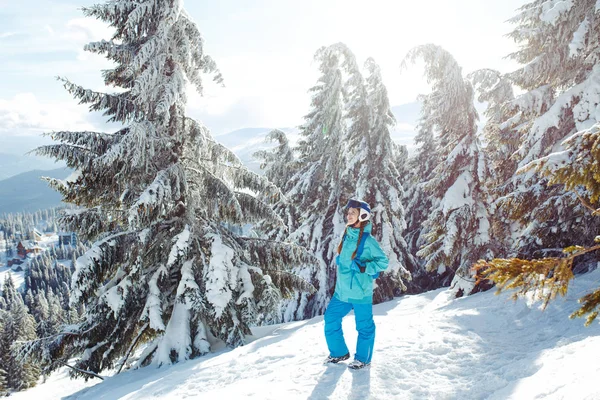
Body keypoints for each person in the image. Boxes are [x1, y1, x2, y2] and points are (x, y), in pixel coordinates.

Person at [323, 198, 389, 370]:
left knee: (364, 327)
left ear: (363, 215)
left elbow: (383, 262)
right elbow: (346, 258)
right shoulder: (347, 235)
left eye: (353, 212)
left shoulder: (368, 241)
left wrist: (364, 267)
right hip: (342, 292)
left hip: (360, 293)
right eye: (348, 212)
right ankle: (339, 352)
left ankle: (363, 359)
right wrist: (342, 260)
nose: (349, 215)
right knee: (330, 318)